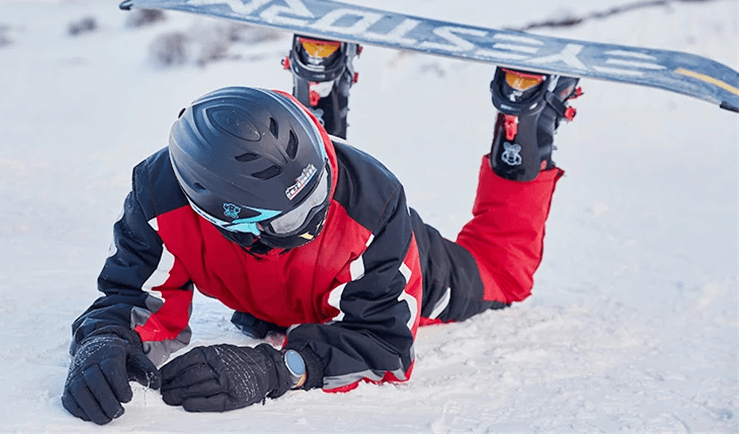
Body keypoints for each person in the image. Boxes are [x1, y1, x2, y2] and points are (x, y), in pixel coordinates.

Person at [61, 36, 582, 425]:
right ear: (222, 217)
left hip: (393, 262)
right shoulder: (161, 200)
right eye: (292, 217)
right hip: (281, 295)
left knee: (502, 273)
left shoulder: (367, 202)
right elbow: (133, 298)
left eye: (317, 191)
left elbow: (385, 347)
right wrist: (104, 342)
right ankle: (322, 76)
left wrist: (278, 369)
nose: (315, 217)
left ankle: (528, 123)